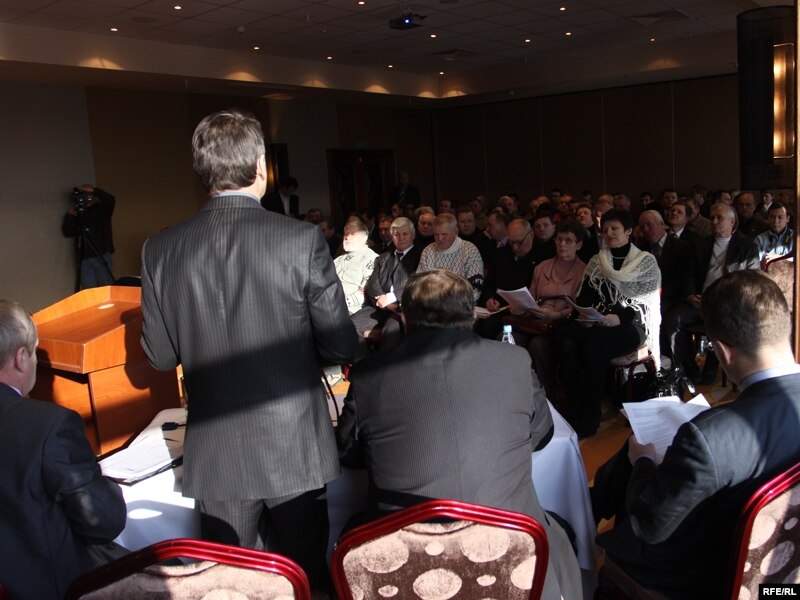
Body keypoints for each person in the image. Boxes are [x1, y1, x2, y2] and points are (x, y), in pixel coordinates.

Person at [140, 109, 357, 593]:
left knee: (232, 585)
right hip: (294, 445)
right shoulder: (300, 239)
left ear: (202, 173)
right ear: (261, 166)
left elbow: (159, 357)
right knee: (304, 577)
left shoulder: (161, 249)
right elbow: (340, 342)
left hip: (217, 451)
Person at [337, 270, 583, 600]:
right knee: (559, 531)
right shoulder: (513, 360)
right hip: (510, 552)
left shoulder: (370, 374)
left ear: (405, 319)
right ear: (471, 316)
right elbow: (541, 435)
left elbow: (349, 454)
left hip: (403, 563)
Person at [592, 270, 800, 600]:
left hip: (708, 574)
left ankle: (580, 526)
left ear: (723, 352)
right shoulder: (720, 432)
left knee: (630, 460)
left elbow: (651, 524)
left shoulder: (710, 436)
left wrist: (643, 462)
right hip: (780, 567)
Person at [0, 299, 126, 600]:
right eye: (34, 353)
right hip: (56, 587)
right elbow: (104, 522)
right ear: (20, 358)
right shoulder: (49, 426)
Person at [557, 210, 661, 438]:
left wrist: (620, 317)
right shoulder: (598, 261)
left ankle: (591, 413)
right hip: (600, 321)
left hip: (633, 325)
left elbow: (644, 301)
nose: (609, 233)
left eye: (615, 228)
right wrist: (584, 314)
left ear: (629, 231)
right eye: (605, 230)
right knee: (566, 340)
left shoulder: (645, 261)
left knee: (592, 345)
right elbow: (585, 296)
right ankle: (575, 408)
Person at [662, 202, 760, 385]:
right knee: (672, 320)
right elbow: (689, 274)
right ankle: (689, 370)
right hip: (700, 300)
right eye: (712, 218)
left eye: (719, 218)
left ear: (732, 222)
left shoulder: (746, 246)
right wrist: (690, 295)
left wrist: (722, 300)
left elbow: (750, 281)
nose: (714, 222)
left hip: (727, 303)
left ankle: (710, 370)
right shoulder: (701, 243)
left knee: (719, 323)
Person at [351, 217, 422, 355]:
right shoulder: (384, 257)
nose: (401, 238)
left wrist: (391, 298)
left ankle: (389, 367)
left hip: (403, 309)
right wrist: (384, 302)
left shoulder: (421, 256)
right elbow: (373, 284)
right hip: (380, 307)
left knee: (391, 331)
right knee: (350, 325)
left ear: (413, 235)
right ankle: (365, 363)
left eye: (405, 234)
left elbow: (415, 282)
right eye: (396, 234)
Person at [418, 213, 484, 302]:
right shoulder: (428, 250)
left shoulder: (469, 250)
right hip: (432, 304)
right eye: (436, 234)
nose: (440, 239)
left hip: (461, 305)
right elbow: (419, 284)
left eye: (444, 234)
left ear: (456, 232)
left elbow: (475, 290)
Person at [62, 183, 116, 289]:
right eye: (83, 195)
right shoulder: (78, 213)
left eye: (88, 194)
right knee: (89, 291)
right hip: (84, 258)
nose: (86, 197)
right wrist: (70, 216)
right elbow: (68, 232)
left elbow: (110, 199)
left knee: (106, 288)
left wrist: (94, 190)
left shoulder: (102, 209)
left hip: (101, 254)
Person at [334, 220, 378, 315]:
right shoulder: (338, 260)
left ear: (364, 238)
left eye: (353, 234)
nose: (347, 237)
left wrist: (337, 303)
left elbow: (364, 293)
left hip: (351, 309)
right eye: (346, 234)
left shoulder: (371, 258)